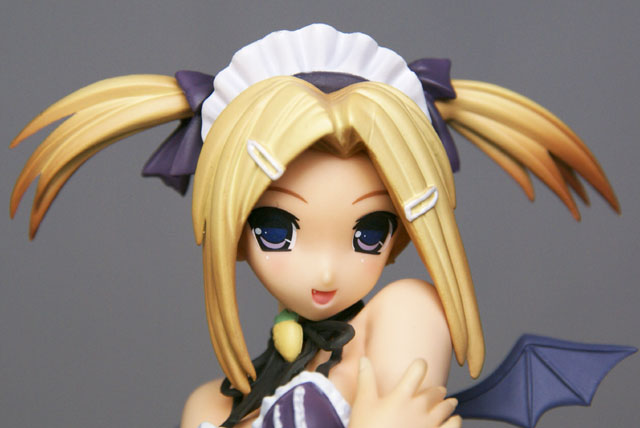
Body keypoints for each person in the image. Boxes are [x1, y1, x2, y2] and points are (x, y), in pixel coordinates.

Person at [10, 24, 618, 428]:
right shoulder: (212, 408)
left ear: (403, 231)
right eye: (278, 230)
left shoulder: (405, 315)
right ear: (234, 229)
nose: (325, 271)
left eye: (367, 233)